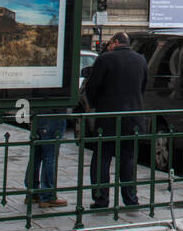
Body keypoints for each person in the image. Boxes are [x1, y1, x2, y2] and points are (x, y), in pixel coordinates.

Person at [83, 31, 148, 207]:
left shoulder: (105, 59)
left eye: (109, 43)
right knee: (128, 160)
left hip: (108, 118)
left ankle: (101, 199)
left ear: (115, 41)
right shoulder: (141, 60)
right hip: (133, 118)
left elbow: (92, 87)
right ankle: (130, 198)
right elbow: (142, 87)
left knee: (102, 159)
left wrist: (96, 104)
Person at [25, 105, 68, 209]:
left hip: (38, 113)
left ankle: (32, 192)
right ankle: (47, 196)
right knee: (50, 156)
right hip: (53, 114)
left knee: (35, 156)